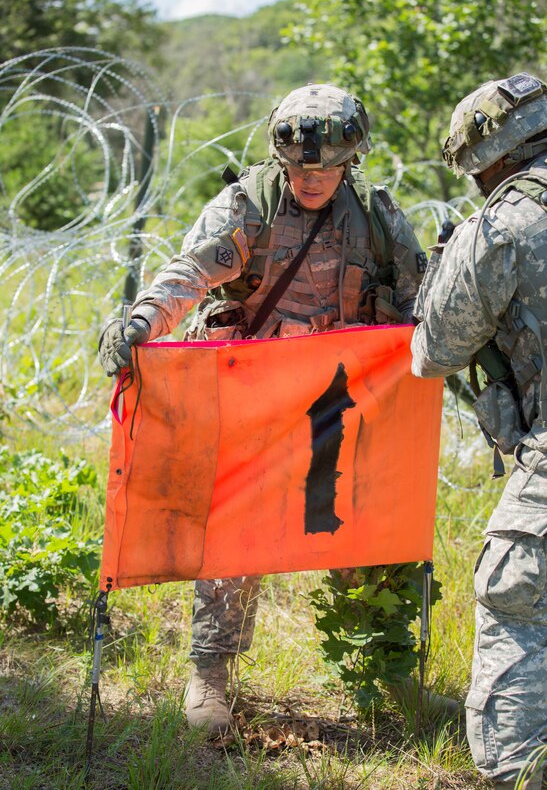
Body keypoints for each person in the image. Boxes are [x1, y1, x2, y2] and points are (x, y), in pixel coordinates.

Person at [99, 83, 427, 734]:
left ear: (349, 161)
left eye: (325, 168)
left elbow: (419, 298)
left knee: (369, 528)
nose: (310, 179)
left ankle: (384, 676)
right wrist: (141, 320)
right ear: (281, 160)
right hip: (253, 393)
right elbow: (187, 274)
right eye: (299, 168)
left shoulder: (375, 213)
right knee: (234, 537)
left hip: (344, 398)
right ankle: (211, 678)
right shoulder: (250, 204)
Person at [411, 72, 547, 790]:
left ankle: (517, 774)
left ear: (490, 157)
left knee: (515, 602)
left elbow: (433, 350)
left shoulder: (504, 222)